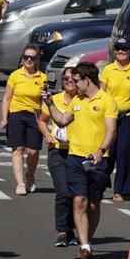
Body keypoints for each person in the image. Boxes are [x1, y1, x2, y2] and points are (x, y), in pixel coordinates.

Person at [42, 62, 118, 259]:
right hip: (75, 158)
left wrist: (101, 150)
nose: (73, 85)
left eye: (76, 81)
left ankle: (88, 240)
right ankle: (84, 247)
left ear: (87, 80)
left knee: (93, 204)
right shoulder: (76, 100)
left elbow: (111, 130)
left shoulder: (107, 101)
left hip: (98, 160)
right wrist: (50, 104)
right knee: (78, 200)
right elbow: (61, 121)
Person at [101, 37, 130, 202]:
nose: (120, 52)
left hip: (129, 115)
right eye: (118, 49)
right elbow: (102, 94)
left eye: (124, 49)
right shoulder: (108, 70)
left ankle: (120, 190)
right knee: (107, 152)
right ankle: (102, 184)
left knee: (124, 153)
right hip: (110, 116)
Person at [39, 67, 79, 247]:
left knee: (75, 193)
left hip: (77, 151)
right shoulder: (54, 99)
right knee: (63, 191)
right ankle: (62, 231)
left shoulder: (83, 100)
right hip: (57, 151)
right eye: (65, 79)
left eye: (72, 78)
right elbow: (42, 120)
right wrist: (47, 135)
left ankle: (71, 230)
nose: (69, 81)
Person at [0, 44, 46, 196]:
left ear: (37, 59)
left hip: (34, 114)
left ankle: (30, 175)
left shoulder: (43, 77)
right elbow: (7, 98)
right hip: (16, 113)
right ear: (22, 58)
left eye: (32, 57)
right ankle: (20, 183)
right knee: (18, 149)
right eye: (26, 57)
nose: (29, 60)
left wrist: (45, 120)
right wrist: (4, 118)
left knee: (33, 151)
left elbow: (44, 101)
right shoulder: (15, 76)